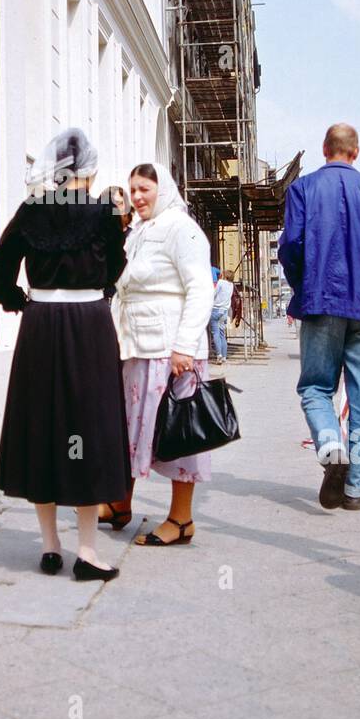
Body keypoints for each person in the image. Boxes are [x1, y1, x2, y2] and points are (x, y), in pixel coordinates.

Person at [0, 129, 130, 581]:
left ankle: (50, 547)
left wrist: (15, 300)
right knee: (88, 426)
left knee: (41, 426)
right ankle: (87, 549)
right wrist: (97, 288)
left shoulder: (32, 209)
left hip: (41, 326)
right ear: (89, 168)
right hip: (89, 323)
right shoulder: (105, 211)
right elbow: (114, 267)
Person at [279, 122, 360, 513]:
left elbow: (291, 245)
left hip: (321, 302)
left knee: (316, 387)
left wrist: (305, 285)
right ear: (357, 152)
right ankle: (355, 490)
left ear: (324, 149)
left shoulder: (301, 189)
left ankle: (330, 446)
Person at [103, 162, 214, 546]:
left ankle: (181, 520)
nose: (136, 197)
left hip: (171, 351)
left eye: (144, 189)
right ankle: (120, 503)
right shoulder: (138, 232)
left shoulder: (182, 230)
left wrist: (184, 345)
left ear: (161, 189)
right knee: (134, 429)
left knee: (178, 433)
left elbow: (201, 288)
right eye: (132, 190)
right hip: (138, 346)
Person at [210, 267, 234, 364]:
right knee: (222, 335)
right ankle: (224, 356)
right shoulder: (231, 285)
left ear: (225, 275)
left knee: (215, 334)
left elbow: (214, 294)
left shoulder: (220, 282)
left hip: (215, 310)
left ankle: (219, 355)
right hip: (224, 312)